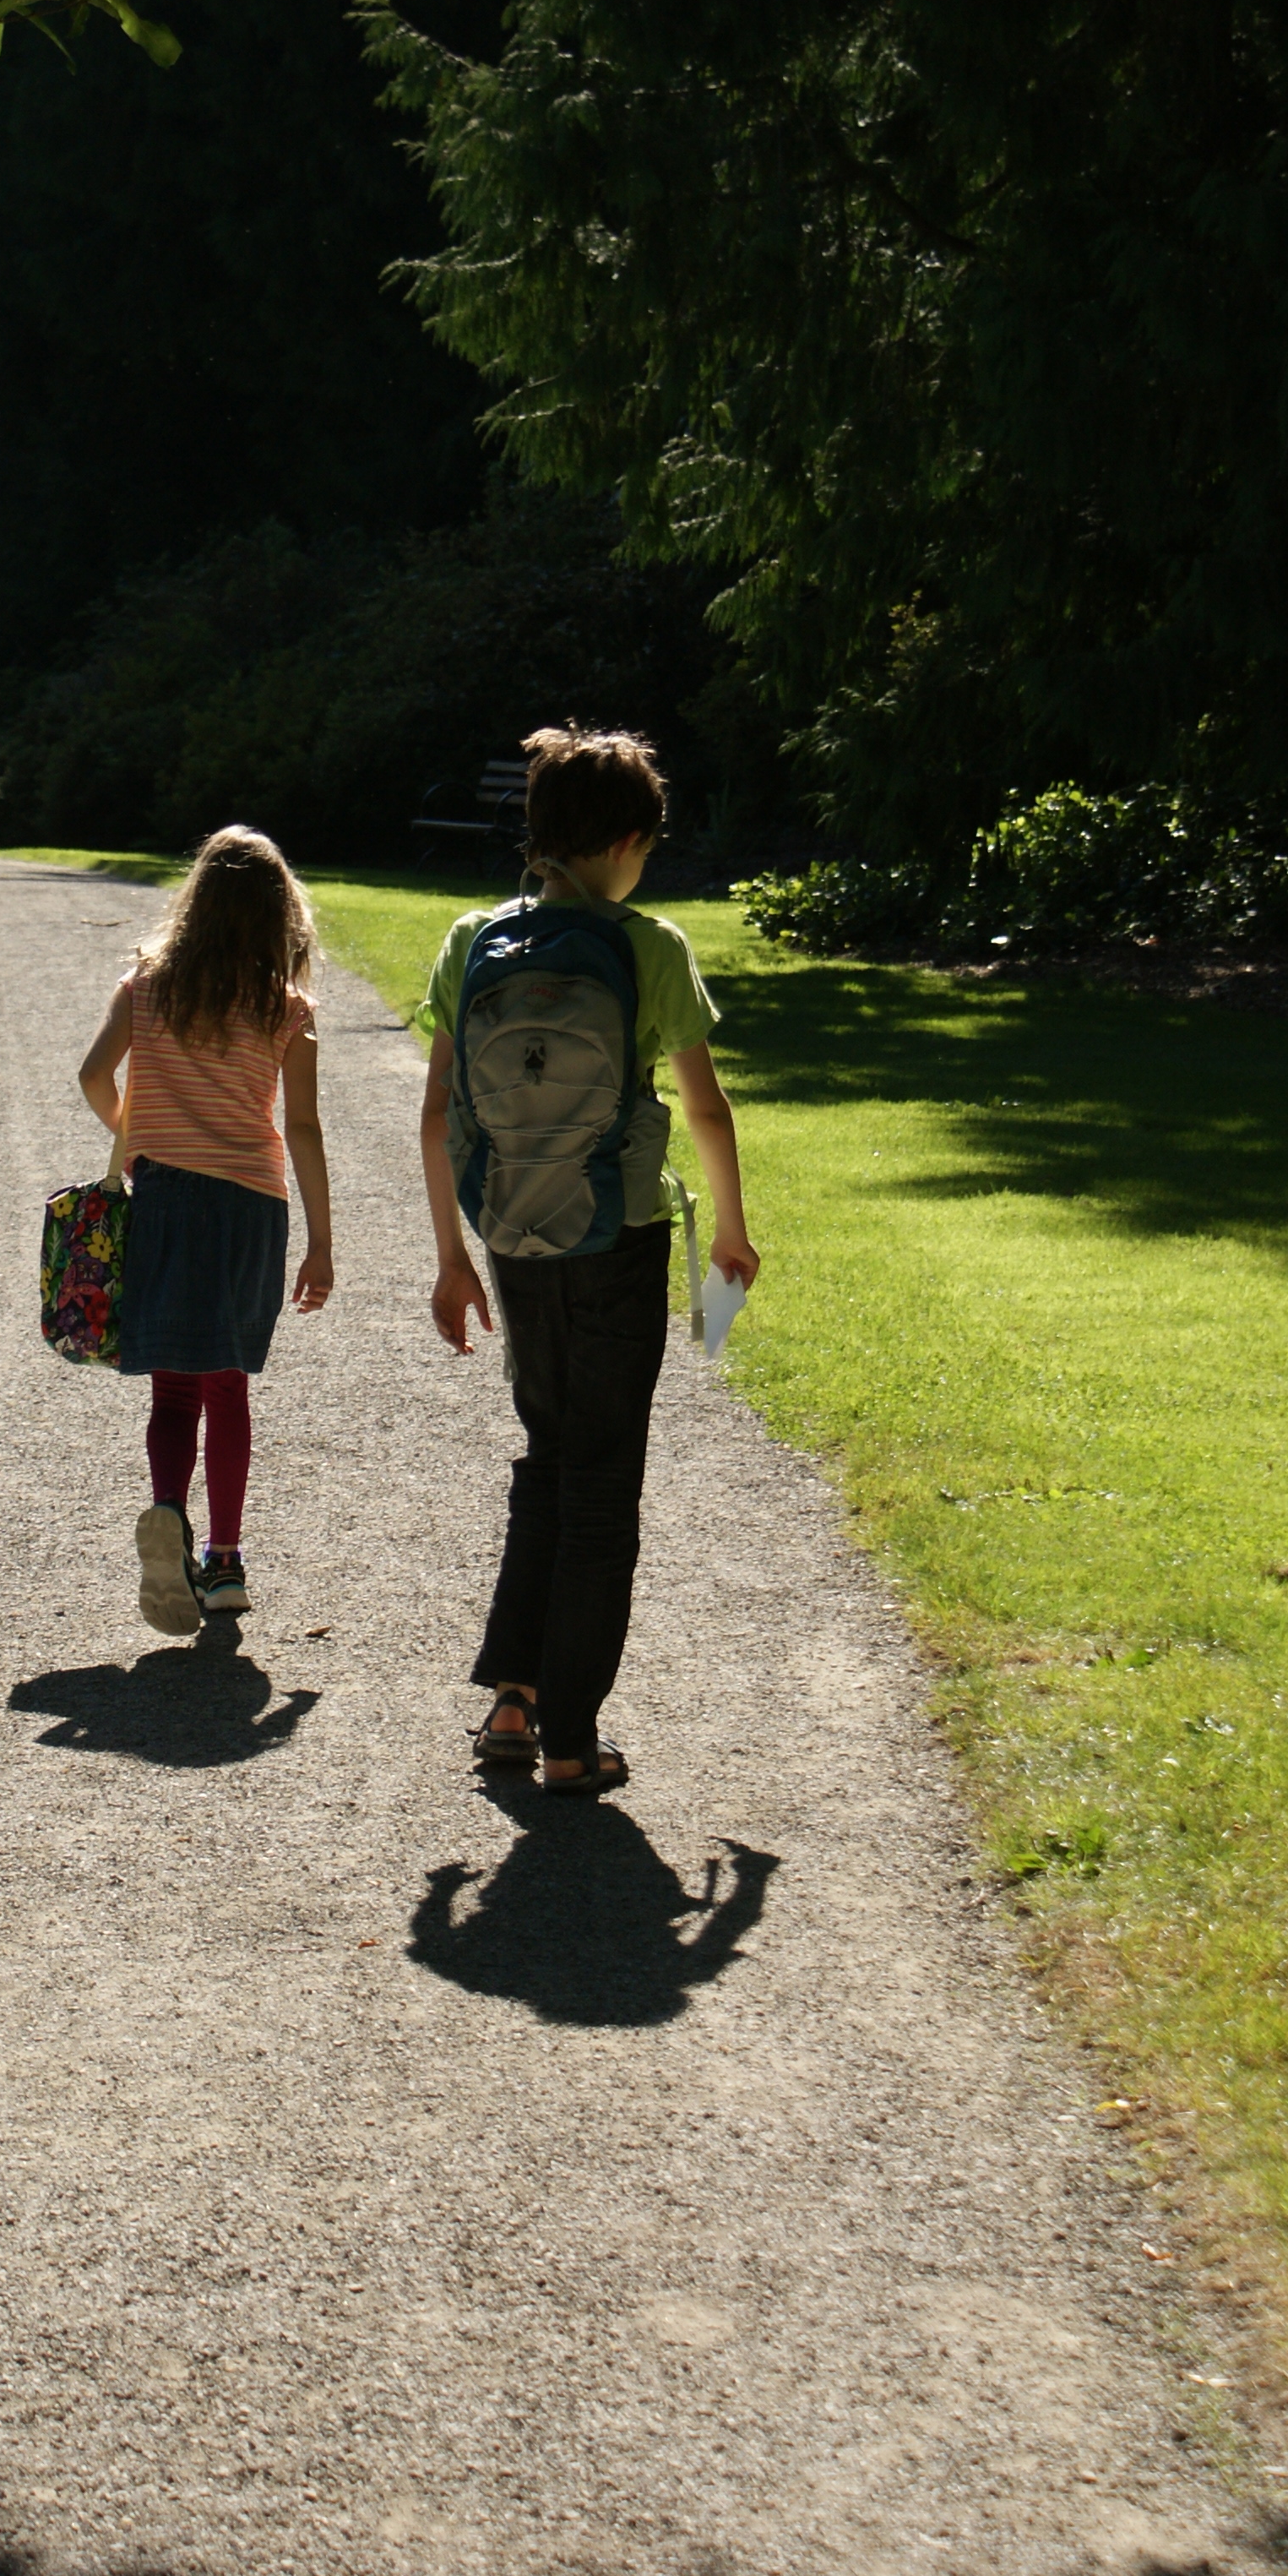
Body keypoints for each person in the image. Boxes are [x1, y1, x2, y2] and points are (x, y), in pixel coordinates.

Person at [419, 724, 759, 1794]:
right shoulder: (648, 944)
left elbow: (437, 1115)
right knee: (604, 1480)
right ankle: (570, 1738)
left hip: (511, 1231)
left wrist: (449, 1257)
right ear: (625, 840)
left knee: (548, 1454)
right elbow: (703, 1104)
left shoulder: (473, 939)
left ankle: (515, 1698)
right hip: (618, 1236)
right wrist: (736, 1230)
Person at [79, 827, 334, 1634]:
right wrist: (322, 1243)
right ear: (278, 915)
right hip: (251, 1204)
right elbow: (304, 1130)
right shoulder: (286, 1007)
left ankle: (166, 1513)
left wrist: (134, 1132)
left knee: (172, 1386)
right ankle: (223, 1562)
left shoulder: (146, 987)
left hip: (164, 1199)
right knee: (229, 1385)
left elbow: (92, 1074)